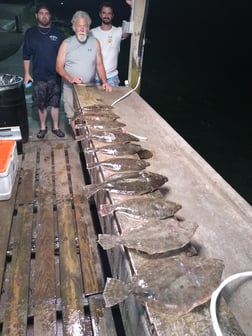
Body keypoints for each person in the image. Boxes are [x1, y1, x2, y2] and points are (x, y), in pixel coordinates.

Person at [56, 10, 112, 136]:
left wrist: (105, 82)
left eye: (85, 26)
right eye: (79, 25)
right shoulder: (66, 44)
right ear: (74, 28)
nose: (82, 28)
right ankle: (80, 140)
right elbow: (58, 67)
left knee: (89, 115)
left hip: (89, 88)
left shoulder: (95, 42)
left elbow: (99, 64)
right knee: (73, 117)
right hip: (70, 88)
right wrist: (70, 78)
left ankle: (88, 139)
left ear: (88, 28)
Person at [23, 3, 65, 139]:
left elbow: (66, 54)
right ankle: (42, 128)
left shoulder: (58, 34)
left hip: (55, 76)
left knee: (55, 103)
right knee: (41, 104)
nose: (44, 16)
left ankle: (56, 127)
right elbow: (26, 55)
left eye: (47, 13)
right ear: (36, 16)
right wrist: (27, 74)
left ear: (50, 16)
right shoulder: (31, 33)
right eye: (41, 13)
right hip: (38, 76)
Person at [90, 1, 132, 87]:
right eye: (104, 13)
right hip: (94, 78)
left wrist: (132, 8)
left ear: (112, 16)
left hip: (112, 78)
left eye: (109, 13)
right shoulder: (92, 33)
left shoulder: (118, 31)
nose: (106, 15)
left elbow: (130, 28)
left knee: (113, 101)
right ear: (100, 14)